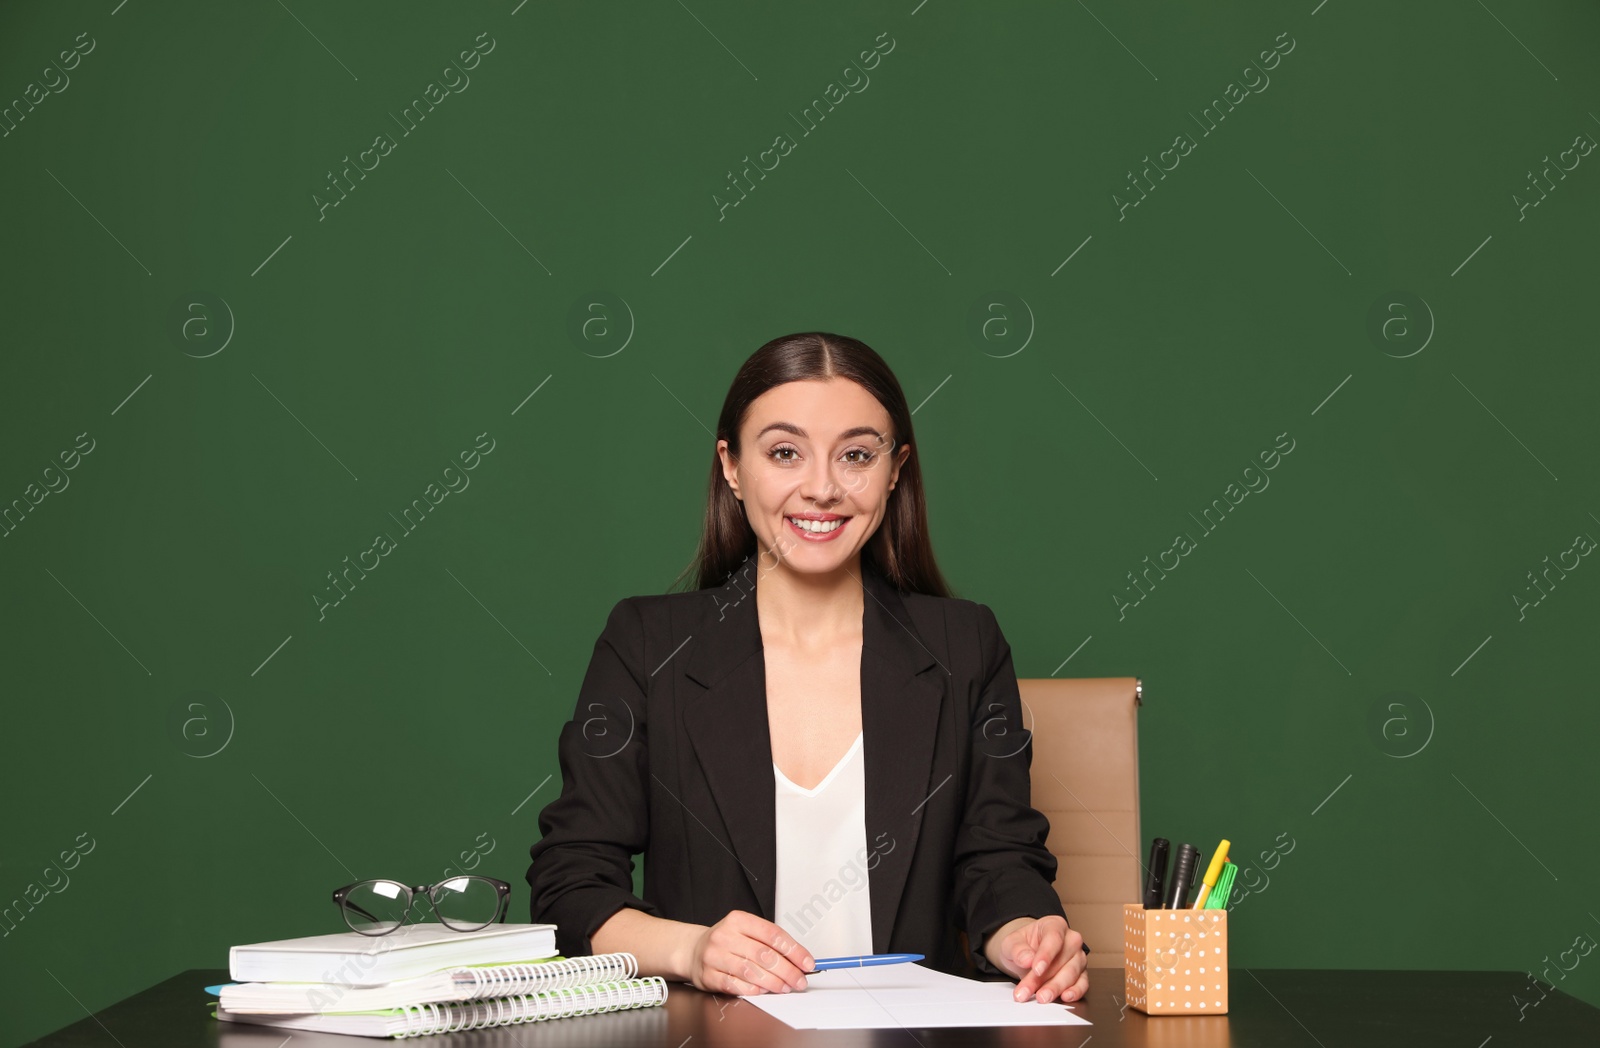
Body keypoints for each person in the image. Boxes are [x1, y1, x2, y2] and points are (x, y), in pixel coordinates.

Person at [526, 332, 1087, 1005]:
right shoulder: (647, 644)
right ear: (732, 467)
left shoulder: (965, 644)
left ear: (895, 469)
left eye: (856, 455)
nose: (821, 489)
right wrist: (694, 950)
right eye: (785, 452)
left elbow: (998, 859)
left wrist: (1025, 938)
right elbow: (570, 885)